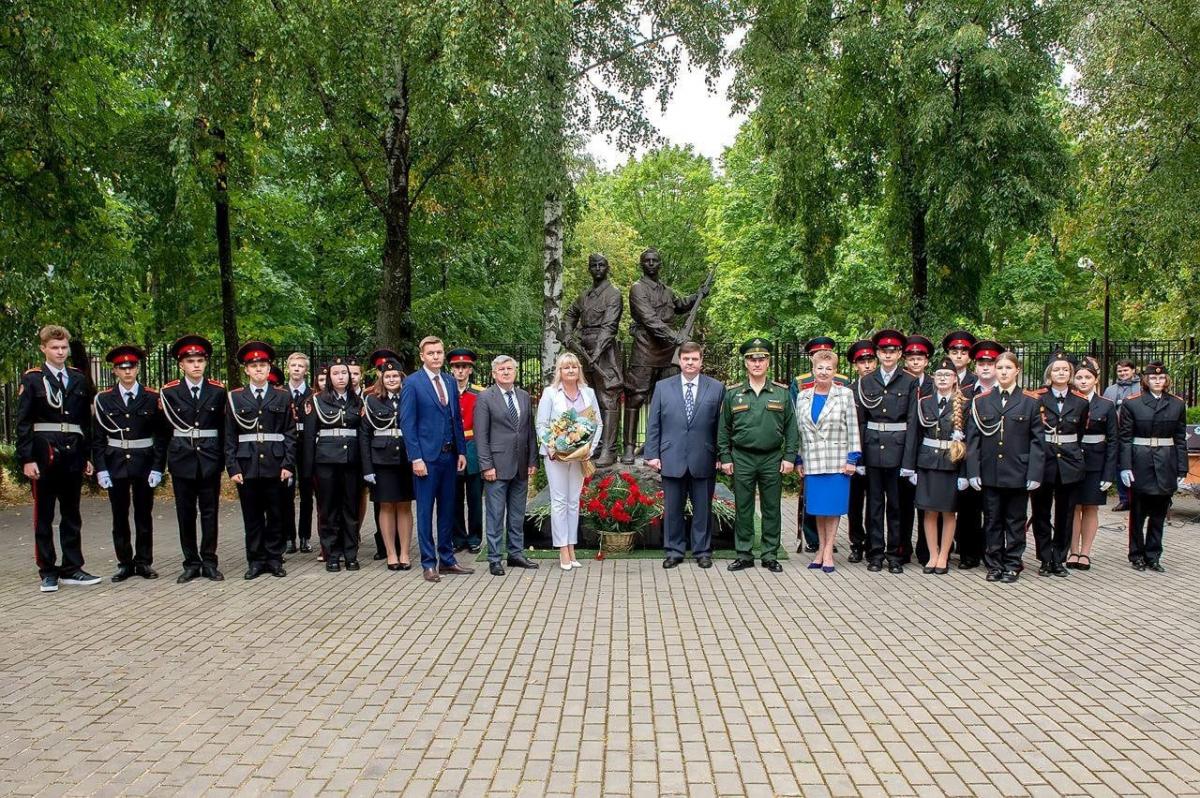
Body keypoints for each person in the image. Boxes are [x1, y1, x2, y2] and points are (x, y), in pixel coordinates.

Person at [17, 324, 99, 592]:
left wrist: (86, 455)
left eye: (64, 347)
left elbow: (84, 422)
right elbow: (24, 422)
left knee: (72, 514)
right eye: (55, 347)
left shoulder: (77, 378)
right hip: (44, 456)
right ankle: (48, 570)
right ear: (43, 349)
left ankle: (72, 568)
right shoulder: (32, 379)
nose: (60, 352)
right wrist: (27, 459)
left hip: (73, 454)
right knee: (44, 515)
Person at [644, 341, 725, 570]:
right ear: (679, 361)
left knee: (703, 510)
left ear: (701, 361)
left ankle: (702, 551)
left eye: (695, 359)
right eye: (686, 359)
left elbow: (721, 426)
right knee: (673, 510)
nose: (690, 363)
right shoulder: (663, 387)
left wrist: (720, 455)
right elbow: (654, 423)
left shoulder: (717, 388)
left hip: (704, 457)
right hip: (671, 457)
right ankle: (674, 551)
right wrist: (652, 453)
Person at [719, 339, 798, 573]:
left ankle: (769, 554)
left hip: (771, 457)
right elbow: (723, 429)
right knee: (743, 507)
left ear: (768, 362)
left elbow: (791, 428)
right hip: (742, 457)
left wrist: (789, 457)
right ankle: (744, 554)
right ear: (745, 363)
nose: (757, 363)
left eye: (761, 359)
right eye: (752, 359)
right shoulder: (733, 393)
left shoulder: (781, 393)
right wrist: (725, 457)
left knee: (771, 507)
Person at [966, 351, 1045, 584]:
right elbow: (973, 440)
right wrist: (973, 470)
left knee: (1015, 520)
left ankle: (1012, 563)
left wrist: (1034, 472)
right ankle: (994, 563)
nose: (1003, 372)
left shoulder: (1030, 401)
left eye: (1008, 368)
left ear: (1017, 371)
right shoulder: (981, 401)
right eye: (999, 368)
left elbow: (1037, 441)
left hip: (1018, 471)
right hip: (990, 470)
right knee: (991, 520)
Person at [91, 345, 168, 582]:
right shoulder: (103, 399)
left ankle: (144, 561)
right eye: (122, 368)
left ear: (137, 368)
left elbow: (162, 436)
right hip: (115, 464)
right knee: (119, 515)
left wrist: (158, 466)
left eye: (131, 367)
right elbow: (97, 438)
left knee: (144, 514)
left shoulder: (153, 397)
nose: (127, 372)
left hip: (144, 463)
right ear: (114, 371)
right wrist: (101, 468)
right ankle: (125, 562)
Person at [622, 247, 706, 463]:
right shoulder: (637, 289)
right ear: (642, 264)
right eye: (647, 261)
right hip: (646, 347)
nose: (651, 264)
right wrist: (676, 338)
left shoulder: (666, 291)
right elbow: (649, 319)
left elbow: (679, 305)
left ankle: (663, 446)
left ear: (660, 264)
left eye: (655, 261)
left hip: (668, 350)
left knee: (670, 400)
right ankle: (629, 447)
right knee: (636, 397)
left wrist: (699, 295)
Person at [400, 336, 473, 583]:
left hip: (449, 456)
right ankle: (429, 563)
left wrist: (461, 451)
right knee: (424, 510)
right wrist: (416, 458)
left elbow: (456, 419)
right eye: (431, 353)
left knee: (448, 509)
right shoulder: (412, 383)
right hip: (426, 459)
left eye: (439, 352)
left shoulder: (450, 382)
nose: (436, 357)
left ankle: (448, 559)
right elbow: (407, 424)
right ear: (422, 356)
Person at [225, 341, 296, 580]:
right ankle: (255, 560)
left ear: (269, 369)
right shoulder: (235, 397)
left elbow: (289, 433)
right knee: (252, 516)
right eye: (254, 366)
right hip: (247, 465)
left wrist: (287, 463)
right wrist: (232, 466)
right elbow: (230, 436)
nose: (258, 369)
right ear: (246, 370)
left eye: (263, 365)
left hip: (275, 465)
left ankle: (274, 559)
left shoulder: (282, 396)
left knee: (276, 514)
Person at [160, 335, 226, 582]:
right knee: (185, 513)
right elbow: (164, 430)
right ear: (182, 365)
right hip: (182, 458)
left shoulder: (218, 391)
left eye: (200, 360)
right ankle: (191, 562)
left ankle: (209, 561)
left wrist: (222, 460)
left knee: (210, 513)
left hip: (209, 457)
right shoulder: (169, 392)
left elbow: (223, 427)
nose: (196, 365)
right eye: (191, 361)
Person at [855, 329, 917, 574]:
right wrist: (858, 455)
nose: (888, 355)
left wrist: (909, 460)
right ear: (877, 353)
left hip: (898, 449)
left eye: (892, 351)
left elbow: (912, 422)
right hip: (871, 448)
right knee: (875, 505)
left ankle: (894, 554)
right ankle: (875, 553)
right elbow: (860, 421)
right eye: (883, 351)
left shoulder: (909, 381)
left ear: (900, 354)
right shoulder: (865, 381)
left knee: (896, 506)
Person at [794, 347, 860, 573]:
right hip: (813, 461)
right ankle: (820, 550)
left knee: (832, 509)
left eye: (828, 368)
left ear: (835, 371)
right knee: (819, 509)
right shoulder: (803, 396)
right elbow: (799, 431)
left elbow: (853, 428)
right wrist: (799, 459)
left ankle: (829, 552)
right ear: (813, 370)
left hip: (837, 460)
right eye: (819, 368)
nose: (823, 372)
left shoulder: (845, 395)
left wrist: (853, 458)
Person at [536, 352, 603, 571]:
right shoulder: (550, 393)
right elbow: (542, 424)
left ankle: (572, 547)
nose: (571, 370)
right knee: (559, 501)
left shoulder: (588, 392)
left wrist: (588, 450)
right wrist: (552, 447)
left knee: (574, 501)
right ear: (560, 371)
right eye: (566, 367)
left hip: (580, 456)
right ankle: (562, 549)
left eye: (574, 366)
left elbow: (597, 424)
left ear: (579, 370)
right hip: (556, 456)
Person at [1119, 361, 1188, 572]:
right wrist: (1125, 466)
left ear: (1166, 380)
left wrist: (1181, 468)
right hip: (1141, 462)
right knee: (1138, 513)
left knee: (1159, 513)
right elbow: (1125, 438)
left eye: (1161, 377)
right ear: (1146, 380)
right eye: (1153, 378)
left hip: (1166, 461)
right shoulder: (1133, 403)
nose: (1157, 381)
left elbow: (1180, 438)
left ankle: (1153, 555)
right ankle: (1136, 554)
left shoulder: (1177, 403)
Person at [474, 354, 540, 576]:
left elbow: (529, 431)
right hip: (496, 466)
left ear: (515, 371)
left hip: (521, 465)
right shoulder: (485, 397)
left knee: (517, 514)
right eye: (501, 369)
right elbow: (481, 436)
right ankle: (494, 558)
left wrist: (532, 460)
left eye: (509, 369)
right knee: (495, 514)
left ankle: (516, 554)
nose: (505, 372)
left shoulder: (523, 396)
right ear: (494, 373)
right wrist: (486, 466)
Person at [303, 356, 366, 572]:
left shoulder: (358, 401)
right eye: (336, 373)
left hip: (352, 461)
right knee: (328, 509)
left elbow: (362, 434)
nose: (341, 377)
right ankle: (331, 554)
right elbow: (310, 437)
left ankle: (350, 553)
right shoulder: (317, 400)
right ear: (329, 377)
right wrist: (308, 469)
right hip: (326, 462)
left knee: (350, 508)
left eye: (344, 373)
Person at [903, 358, 967, 574]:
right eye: (939, 375)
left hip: (951, 464)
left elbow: (970, 442)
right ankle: (932, 554)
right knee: (928, 512)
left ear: (954, 379)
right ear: (933, 378)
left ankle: (943, 555)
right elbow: (914, 435)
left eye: (947, 375)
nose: (942, 378)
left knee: (948, 512)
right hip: (927, 463)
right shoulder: (924, 402)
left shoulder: (964, 403)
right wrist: (910, 467)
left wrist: (966, 473)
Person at [1030, 353, 1090, 577]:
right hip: (1043, 461)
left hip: (1069, 462)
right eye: (1056, 369)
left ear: (1070, 373)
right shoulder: (1037, 398)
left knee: (1065, 514)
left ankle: (1059, 558)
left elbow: (1080, 432)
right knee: (1040, 512)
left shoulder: (1081, 401)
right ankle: (1045, 558)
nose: (1061, 373)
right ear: (1049, 374)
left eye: (1065, 369)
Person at [789, 337, 848, 554]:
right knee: (811, 501)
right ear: (811, 360)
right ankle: (813, 539)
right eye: (817, 358)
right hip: (811, 455)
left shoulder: (844, 383)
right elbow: (796, 422)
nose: (823, 369)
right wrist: (797, 456)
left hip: (835, 456)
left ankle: (827, 546)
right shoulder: (800, 383)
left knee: (832, 503)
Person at [563, 253, 624, 467]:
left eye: (601, 265)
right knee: (589, 400)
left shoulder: (613, 294)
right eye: (593, 265)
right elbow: (570, 315)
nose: (597, 268)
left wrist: (596, 353)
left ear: (607, 268)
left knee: (608, 399)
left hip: (604, 352)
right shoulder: (584, 296)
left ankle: (609, 448)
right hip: (584, 349)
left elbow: (609, 327)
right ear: (589, 269)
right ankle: (595, 444)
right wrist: (569, 333)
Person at [359, 358, 415, 570]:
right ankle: (391, 553)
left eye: (395, 376)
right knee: (386, 506)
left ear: (402, 378)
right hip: (381, 461)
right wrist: (367, 468)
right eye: (387, 376)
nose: (391, 379)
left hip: (406, 459)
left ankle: (404, 553)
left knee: (404, 505)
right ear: (381, 378)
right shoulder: (371, 400)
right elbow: (364, 435)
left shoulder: (409, 398)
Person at [955, 339, 1002, 570]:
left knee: (994, 511)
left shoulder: (1004, 393)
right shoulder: (963, 393)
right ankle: (968, 553)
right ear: (975, 366)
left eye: (991, 362)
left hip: (997, 458)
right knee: (968, 510)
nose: (986, 367)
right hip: (968, 457)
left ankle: (992, 552)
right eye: (981, 362)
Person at [1069, 359, 1117, 570]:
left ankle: (1085, 552)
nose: (1083, 381)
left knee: (1090, 507)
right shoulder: (1069, 401)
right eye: (1079, 377)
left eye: (1087, 377)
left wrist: (1109, 473)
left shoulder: (1106, 405)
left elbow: (1114, 440)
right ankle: (1072, 551)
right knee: (1073, 506)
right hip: (1071, 459)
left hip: (1096, 461)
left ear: (1096, 381)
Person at [900, 334, 934, 564]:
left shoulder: (937, 382)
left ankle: (926, 549)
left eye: (919, 358)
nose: (915, 362)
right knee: (903, 504)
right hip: (903, 450)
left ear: (926, 361)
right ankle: (903, 547)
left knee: (928, 504)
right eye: (911, 357)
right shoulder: (900, 382)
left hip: (929, 451)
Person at [448, 348, 484, 554]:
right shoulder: (446, 391)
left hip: (473, 447)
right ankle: (458, 538)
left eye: (464, 367)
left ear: (470, 370)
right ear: (451, 369)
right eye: (456, 367)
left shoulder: (479, 394)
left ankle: (475, 537)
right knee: (453, 498)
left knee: (475, 498)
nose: (460, 371)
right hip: (452, 449)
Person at [844, 340, 876, 562]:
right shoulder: (848, 392)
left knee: (875, 502)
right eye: (861, 362)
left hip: (876, 455)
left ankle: (874, 544)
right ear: (856, 365)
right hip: (854, 456)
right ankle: (856, 543)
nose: (867, 365)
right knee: (854, 503)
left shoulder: (882, 389)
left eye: (870, 360)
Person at [283, 352, 314, 555]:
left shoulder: (313, 394)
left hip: (306, 447)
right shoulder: (279, 393)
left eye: (300, 366)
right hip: (286, 447)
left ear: (306, 370)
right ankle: (288, 537)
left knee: (306, 494)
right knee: (285, 494)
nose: (296, 369)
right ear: (287, 368)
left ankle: (304, 537)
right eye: (293, 365)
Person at [1104, 359, 1140, 510]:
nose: (1123, 373)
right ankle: (1124, 498)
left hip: (1137, 431)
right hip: (1117, 432)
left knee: (1138, 464)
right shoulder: (1110, 390)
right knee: (1120, 465)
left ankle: (1138, 497)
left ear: (1133, 370)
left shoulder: (1141, 387)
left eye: (1126, 370)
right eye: (1120, 371)